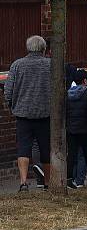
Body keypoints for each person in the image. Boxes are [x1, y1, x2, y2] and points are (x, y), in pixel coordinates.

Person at [3, 35, 51, 192]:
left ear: (28, 48)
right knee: (45, 149)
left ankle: (23, 182)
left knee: (23, 148)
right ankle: (47, 183)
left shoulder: (17, 65)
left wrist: (13, 106)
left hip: (23, 115)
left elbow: (8, 90)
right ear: (44, 48)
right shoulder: (50, 65)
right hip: (45, 114)